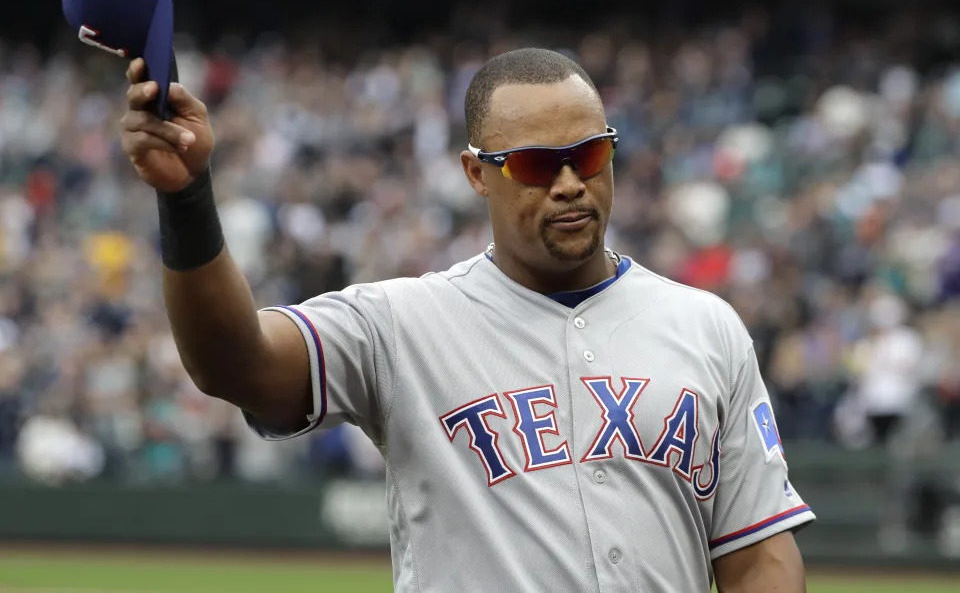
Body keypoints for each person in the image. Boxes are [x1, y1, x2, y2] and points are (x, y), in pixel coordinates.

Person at [120, 47, 814, 592]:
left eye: (590, 154)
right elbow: (232, 363)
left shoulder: (705, 325)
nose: (570, 182)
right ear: (478, 174)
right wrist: (187, 201)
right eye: (538, 164)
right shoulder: (402, 324)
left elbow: (758, 554)